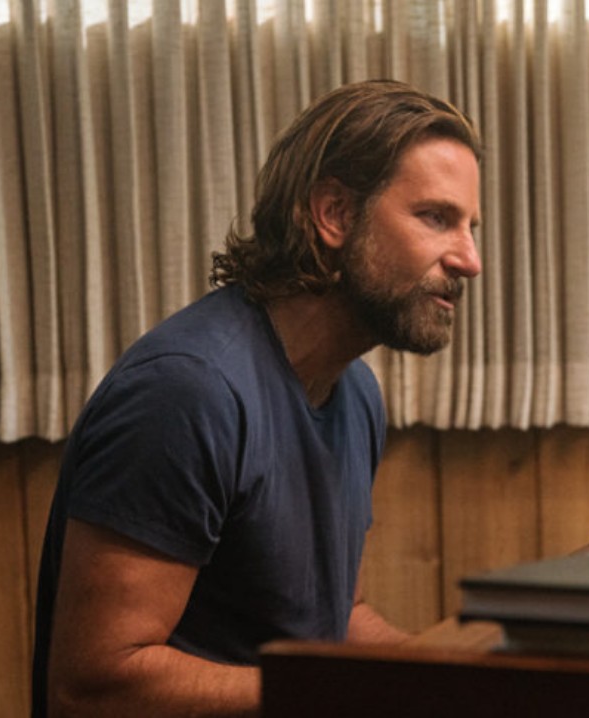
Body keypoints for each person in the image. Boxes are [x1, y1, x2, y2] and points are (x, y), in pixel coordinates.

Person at [32, 80, 482, 716]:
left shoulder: (356, 392)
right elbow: (94, 686)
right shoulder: (186, 392)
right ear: (334, 214)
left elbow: (334, 617)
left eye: (470, 227)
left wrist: (441, 676)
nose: (470, 259)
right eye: (436, 218)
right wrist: (359, 691)